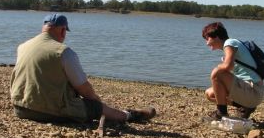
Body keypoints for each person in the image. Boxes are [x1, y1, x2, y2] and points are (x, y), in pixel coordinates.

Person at [10, 13, 156, 124]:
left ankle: (127, 113)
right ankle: (129, 115)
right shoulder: (64, 52)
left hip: (21, 108)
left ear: (44, 28)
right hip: (48, 112)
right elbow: (84, 90)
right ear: (62, 31)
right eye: (65, 32)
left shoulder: (23, 46)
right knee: (95, 107)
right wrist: (97, 104)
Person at [202, 22, 264, 120]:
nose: (207, 43)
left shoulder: (229, 43)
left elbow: (228, 66)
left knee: (218, 73)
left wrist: (216, 70)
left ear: (216, 37)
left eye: (207, 39)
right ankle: (245, 107)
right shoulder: (229, 48)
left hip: (253, 91)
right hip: (251, 92)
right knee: (210, 94)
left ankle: (221, 113)